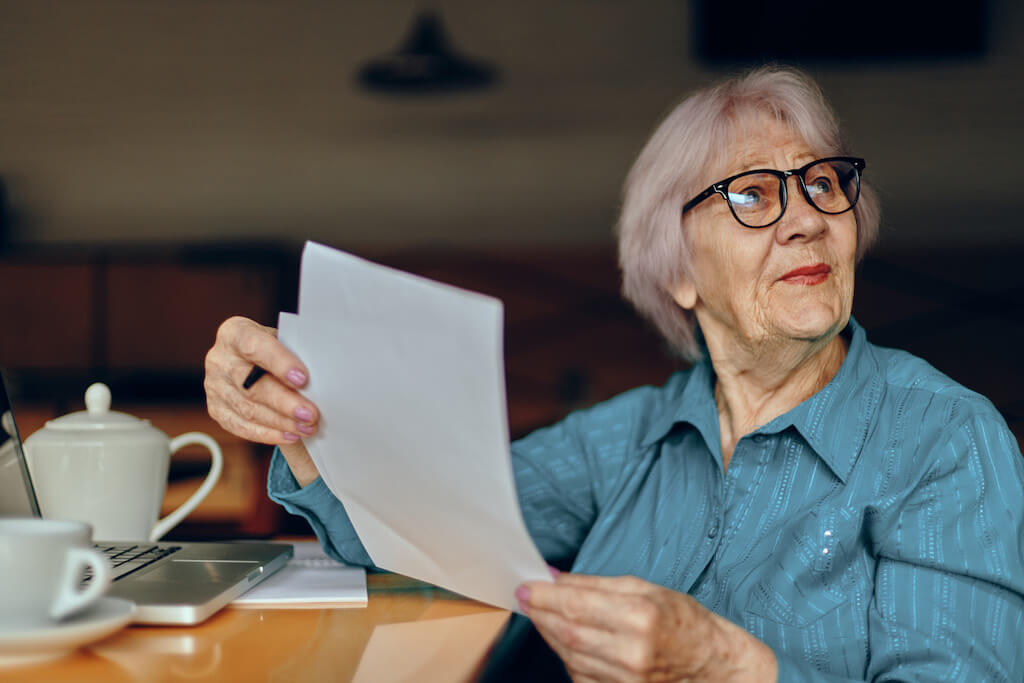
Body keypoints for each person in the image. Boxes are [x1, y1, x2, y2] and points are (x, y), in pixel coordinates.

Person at [203, 67, 1024, 681]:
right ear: (679, 274)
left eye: (821, 184)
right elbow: (411, 532)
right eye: (752, 196)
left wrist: (726, 666)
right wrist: (297, 413)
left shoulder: (946, 442)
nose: (806, 218)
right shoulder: (626, 437)